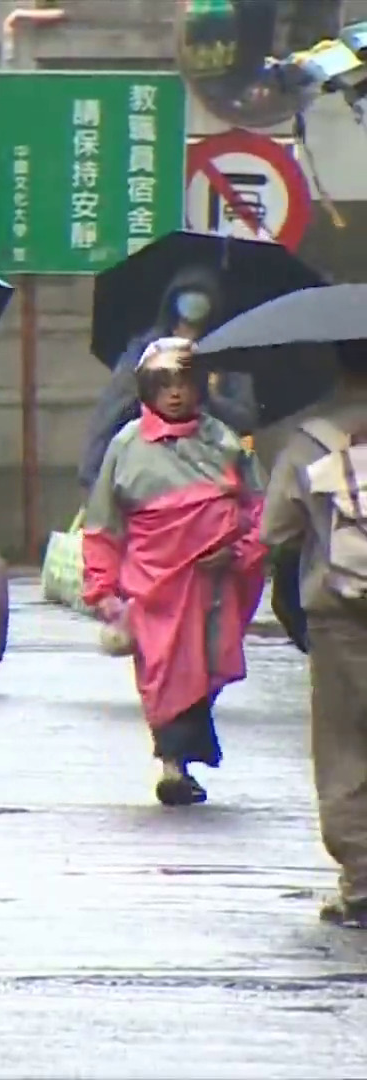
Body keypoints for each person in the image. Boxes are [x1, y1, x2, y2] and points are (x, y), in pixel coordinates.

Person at [83, 338, 266, 807]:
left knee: (204, 666)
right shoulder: (125, 446)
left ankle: (182, 755)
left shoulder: (225, 440)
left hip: (216, 586)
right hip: (155, 584)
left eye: (184, 381)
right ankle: (171, 761)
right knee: (163, 669)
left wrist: (240, 550)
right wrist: (101, 587)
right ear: (146, 390)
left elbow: (258, 506)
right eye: (163, 384)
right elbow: (103, 521)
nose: (176, 393)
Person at [259, 338, 367, 929]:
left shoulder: (311, 437)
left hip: (339, 613)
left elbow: (275, 528)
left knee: (345, 745)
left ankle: (361, 882)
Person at [79, 265, 260, 492]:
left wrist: (213, 397)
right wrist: (94, 474)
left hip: (209, 474)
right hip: (149, 472)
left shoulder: (226, 357)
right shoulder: (143, 353)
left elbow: (245, 419)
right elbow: (112, 411)